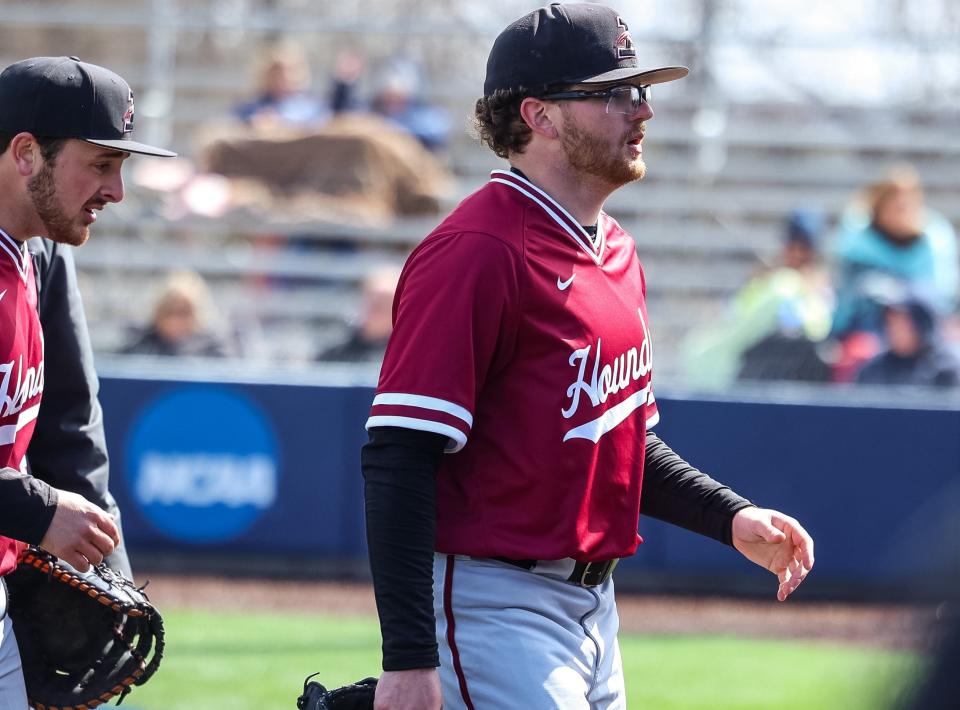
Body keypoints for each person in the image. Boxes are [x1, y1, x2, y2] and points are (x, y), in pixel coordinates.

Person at [360, 5, 815, 710]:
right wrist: (410, 658)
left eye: (642, 93)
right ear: (539, 116)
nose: (642, 111)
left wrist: (730, 516)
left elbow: (621, 441)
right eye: (615, 94)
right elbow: (399, 454)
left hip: (594, 607)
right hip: (491, 602)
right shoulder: (477, 251)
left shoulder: (618, 251)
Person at [0, 55, 175, 707]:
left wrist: (103, 571)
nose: (116, 191)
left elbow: (71, 429)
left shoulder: (37, 253)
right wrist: (38, 510)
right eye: (100, 163)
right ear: (26, 154)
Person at [682, 209, 834, 389]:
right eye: (792, 246)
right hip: (745, 373)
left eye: (803, 248)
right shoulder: (771, 281)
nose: (796, 254)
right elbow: (738, 320)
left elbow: (816, 331)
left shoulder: (810, 288)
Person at [831, 165, 958, 339]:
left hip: (919, 335)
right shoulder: (858, 248)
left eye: (908, 204)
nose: (904, 211)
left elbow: (940, 299)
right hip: (869, 334)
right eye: (897, 206)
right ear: (881, 208)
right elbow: (848, 304)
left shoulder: (932, 244)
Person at [855, 290, 960, 388]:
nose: (895, 331)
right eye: (890, 324)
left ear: (922, 326)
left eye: (903, 325)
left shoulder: (946, 369)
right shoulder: (873, 370)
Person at [121, 269, 232, 358]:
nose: (176, 320)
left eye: (184, 312)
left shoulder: (212, 349)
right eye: (170, 311)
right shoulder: (140, 345)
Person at [316, 266, 400, 364]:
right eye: (371, 300)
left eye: (385, 303)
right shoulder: (334, 351)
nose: (375, 308)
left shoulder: (408, 356)